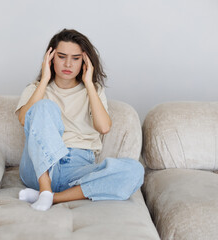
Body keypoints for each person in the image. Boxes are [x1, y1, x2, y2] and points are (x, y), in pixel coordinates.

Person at [15, 29, 144, 211]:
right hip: (39, 169)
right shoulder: (35, 89)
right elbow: (23, 119)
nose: (68, 63)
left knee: (135, 171)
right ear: (50, 58)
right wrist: (44, 79)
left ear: (85, 61)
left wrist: (90, 83)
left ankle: (51, 197)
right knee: (44, 106)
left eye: (76, 58)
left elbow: (104, 127)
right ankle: (44, 188)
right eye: (61, 56)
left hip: (77, 169)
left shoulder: (94, 91)